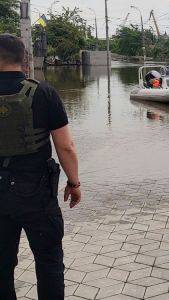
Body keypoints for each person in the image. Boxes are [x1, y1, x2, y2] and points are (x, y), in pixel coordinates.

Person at [0, 34, 81, 300]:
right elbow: (66, 146)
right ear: (23, 59)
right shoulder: (44, 92)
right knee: (48, 264)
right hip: (37, 195)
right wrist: (74, 183)